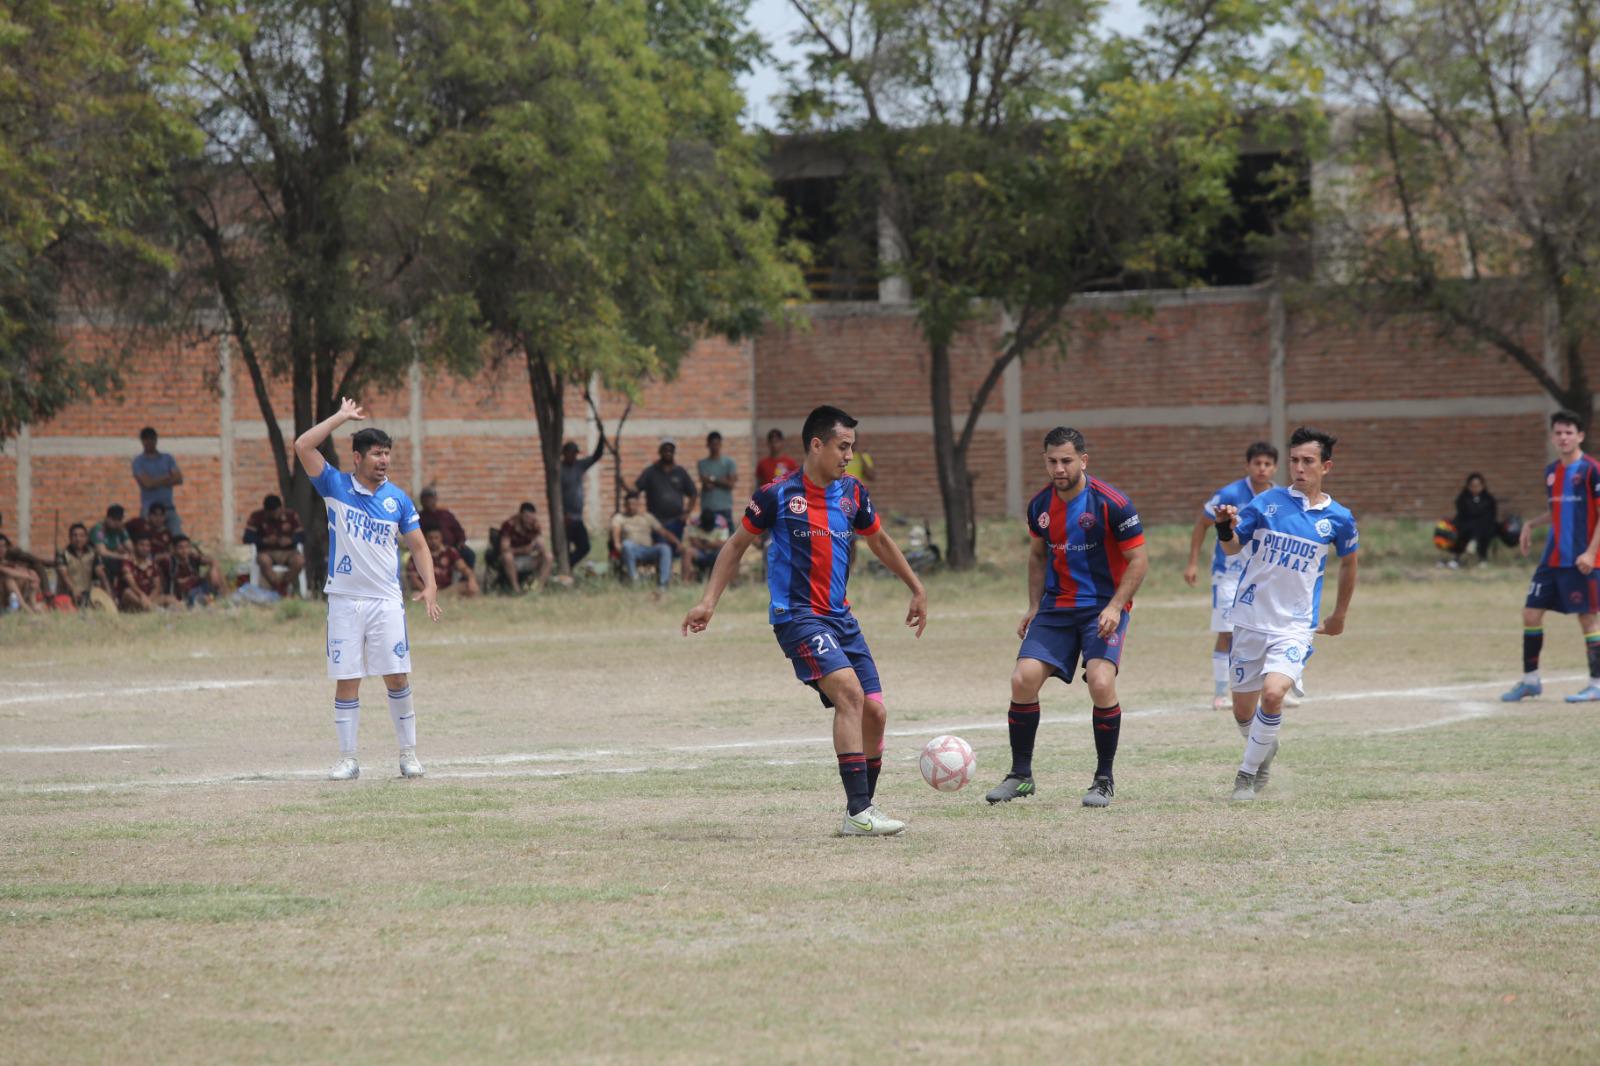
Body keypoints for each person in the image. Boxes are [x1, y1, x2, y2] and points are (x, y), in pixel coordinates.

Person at [683, 404, 929, 837]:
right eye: (843, 446)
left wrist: (916, 588)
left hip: (842, 619)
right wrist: (708, 601)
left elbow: (880, 541)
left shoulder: (853, 494)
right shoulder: (777, 495)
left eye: (852, 447)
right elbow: (736, 546)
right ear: (817, 445)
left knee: (875, 713)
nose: (849, 455)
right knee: (850, 695)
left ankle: (863, 808)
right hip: (797, 617)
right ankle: (858, 812)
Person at [984, 428, 1149, 809]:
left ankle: (1104, 779)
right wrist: (1033, 606)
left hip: (1101, 608)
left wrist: (1114, 606)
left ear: (1083, 461)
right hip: (1057, 608)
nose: (1059, 468)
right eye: (1052, 461)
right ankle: (1021, 776)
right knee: (1022, 679)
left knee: (1101, 682)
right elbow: (1038, 556)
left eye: (1066, 461)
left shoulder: (1112, 503)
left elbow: (1139, 560)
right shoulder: (1039, 506)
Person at [295, 398, 441, 781]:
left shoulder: (397, 499)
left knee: (397, 677)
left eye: (387, 454)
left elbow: (420, 546)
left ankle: (408, 754)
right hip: (344, 601)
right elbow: (302, 446)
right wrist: (341, 417)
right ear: (356, 457)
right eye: (376, 453)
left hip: (386, 603)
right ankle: (348, 759)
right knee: (348, 679)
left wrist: (431, 585)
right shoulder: (335, 485)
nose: (384, 460)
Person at [1212, 426, 1359, 802]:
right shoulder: (1267, 502)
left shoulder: (1338, 518)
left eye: (1307, 461)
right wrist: (1223, 526)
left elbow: (1348, 564)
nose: (1299, 468)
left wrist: (1339, 614)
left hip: (1294, 626)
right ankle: (1262, 748)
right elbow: (1231, 548)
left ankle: (1246, 776)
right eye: (1294, 460)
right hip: (1249, 619)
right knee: (1242, 711)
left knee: (1274, 695)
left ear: (1326, 466)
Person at [1503, 410, 1600, 703]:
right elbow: (1558, 510)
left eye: (1569, 432)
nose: (1563, 437)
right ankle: (1531, 681)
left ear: (1580, 436)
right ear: (1552, 436)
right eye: (1558, 432)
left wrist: (1591, 552)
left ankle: (1597, 683)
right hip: (1552, 558)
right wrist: (1532, 524)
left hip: (1582, 558)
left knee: (1588, 619)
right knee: (1531, 613)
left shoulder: (1592, 470)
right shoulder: (1550, 472)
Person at [1184, 442, 1279, 710]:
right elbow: (1202, 524)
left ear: (1275, 467)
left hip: (1260, 576)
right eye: (1257, 463)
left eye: (1267, 464)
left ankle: (1268, 688)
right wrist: (1192, 562)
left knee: (1267, 632)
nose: (1262, 469)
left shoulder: (1279, 498)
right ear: (1247, 465)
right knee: (1227, 633)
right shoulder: (1229, 494)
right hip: (1227, 574)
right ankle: (1220, 693)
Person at [612, 492, 682, 588]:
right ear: (625, 505)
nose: (631, 507)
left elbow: (663, 532)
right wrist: (619, 547)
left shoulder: (647, 517)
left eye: (634, 504)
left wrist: (677, 542)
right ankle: (634, 580)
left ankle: (663, 584)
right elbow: (616, 536)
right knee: (627, 544)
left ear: (638, 504)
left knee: (664, 548)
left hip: (648, 549)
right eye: (629, 504)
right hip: (631, 550)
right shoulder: (619, 518)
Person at [635, 439, 697, 544]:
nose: (668, 452)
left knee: (675, 549)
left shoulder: (680, 472)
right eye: (665, 450)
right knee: (661, 547)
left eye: (671, 450)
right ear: (660, 452)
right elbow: (636, 490)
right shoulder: (650, 471)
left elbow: (693, 493)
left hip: (677, 520)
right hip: (656, 521)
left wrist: (687, 513)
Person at [244, 494, 306, 597]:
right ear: (266, 511)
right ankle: (278, 588)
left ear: (281, 508)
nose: (274, 515)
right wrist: (264, 541)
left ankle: (283, 585)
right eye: (271, 513)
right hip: (267, 552)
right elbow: (247, 538)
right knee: (263, 560)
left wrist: (290, 540)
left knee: (300, 561)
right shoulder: (257, 517)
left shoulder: (291, 515)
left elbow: (302, 536)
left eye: (276, 512)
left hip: (288, 552)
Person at [559, 436, 606, 568]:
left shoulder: (579, 466)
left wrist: (601, 437)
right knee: (564, 548)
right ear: (564, 453)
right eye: (571, 453)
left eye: (575, 453)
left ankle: (567, 567)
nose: (573, 456)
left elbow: (597, 456)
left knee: (584, 547)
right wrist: (563, 513)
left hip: (577, 517)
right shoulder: (559, 470)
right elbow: (555, 496)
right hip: (565, 518)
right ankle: (564, 571)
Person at [131, 427, 183, 535]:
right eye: (146, 440)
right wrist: (167, 477)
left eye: (152, 439)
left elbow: (179, 479)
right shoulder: (138, 461)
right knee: (147, 539)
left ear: (156, 440)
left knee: (177, 538)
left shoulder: (167, 458)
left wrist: (154, 481)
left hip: (168, 508)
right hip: (149, 510)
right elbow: (147, 484)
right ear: (142, 441)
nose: (149, 442)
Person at [409, 526, 479, 598]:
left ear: (441, 538)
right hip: (425, 591)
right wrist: (428, 591)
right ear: (425, 539)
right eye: (430, 538)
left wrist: (471, 579)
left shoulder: (450, 552)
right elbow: (413, 578)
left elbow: (464, 568)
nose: (433, 541)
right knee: (414, 596)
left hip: (447, 590)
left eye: (436, 538)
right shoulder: (418, 554)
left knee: (469, 586)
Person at [418, 487, 476, 572]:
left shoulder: (446, 514)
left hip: (452, 547)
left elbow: (458, 530)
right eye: (425, 498)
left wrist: (461, 541)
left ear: (435, 498)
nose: (428, 500)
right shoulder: (420, 518)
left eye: (430, 497)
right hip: (432, 548)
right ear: (421, 500)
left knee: (469, 554)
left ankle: (466, 580)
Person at [56, 522, 112, 609]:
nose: (78, 539)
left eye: (81, 536)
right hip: (68, 593)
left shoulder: (93, 553)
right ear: (70, 537)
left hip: (88, 594)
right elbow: (64, 574)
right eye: (75, 535)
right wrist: (73, 589)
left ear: (86, 538)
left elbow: (100, 573)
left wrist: (108, 592)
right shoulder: (62, 553)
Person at [498, 502, 552, 592]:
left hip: (529, 558)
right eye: (527, 517)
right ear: (520, 515)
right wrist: (522, 550)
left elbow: (542, 548)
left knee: (549, 556)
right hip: (513, 560)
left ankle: (538, 588)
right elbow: (504, 549)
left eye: (532, 518)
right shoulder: (509, 525)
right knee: (507, 556)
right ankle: (516, 589)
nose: (529, 520)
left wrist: (540, 546)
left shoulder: (534, 525)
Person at [118, 531, 177, 612]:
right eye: (141, 545)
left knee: (170, 598)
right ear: (135, 546)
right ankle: (155, 610)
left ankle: (151, 609)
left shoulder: (152, 564)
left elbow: (157, 586)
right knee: (127, 593)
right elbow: (132, 584)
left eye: (147, 546)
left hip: (148, 598)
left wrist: (149, 600)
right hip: (133, 598)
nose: (145, 548)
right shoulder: (127, 562)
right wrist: (142, 596)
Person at [1449, 472, 1498, 567]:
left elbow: (1491, 516)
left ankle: (1482, 557)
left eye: (1478, 485)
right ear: (1468, 486)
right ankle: (1457, 557)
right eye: (1473, 486)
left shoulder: (1489, 499)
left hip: (1484, 527)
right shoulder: (1462, 498)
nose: (1475, 488)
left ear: (1483, 486)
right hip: (1466, 525)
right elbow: (1462, 514)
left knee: (1485, 529)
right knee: (1461, 530)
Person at [696, 431, 738, 532]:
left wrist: (712, 479)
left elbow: (730, 484)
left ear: (720, 444)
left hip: (724, 506)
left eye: (717, 444)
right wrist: (722, 480)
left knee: (728, 539)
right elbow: (706, 484)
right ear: (708, 445)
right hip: (708, 507)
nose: (714, 447)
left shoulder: (729, 462)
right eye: (712, 444)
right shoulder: (702, 463)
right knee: (709, 538)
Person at [90, 505, 134, 587]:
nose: (116, 522)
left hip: (114, 560)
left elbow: (131, 548)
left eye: (119, 520)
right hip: (98, 562)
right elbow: (102, 552)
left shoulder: (119, 529)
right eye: (114, 519)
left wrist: (123, 533)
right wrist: (122, 556)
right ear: (107, 518)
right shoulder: (99, 530)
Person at [0, 533, 45, 613]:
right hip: (2, 599)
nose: (1, 549)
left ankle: (32, 602)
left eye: (3, 546)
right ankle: (25, 607)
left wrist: (30, 575)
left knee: (31, 573)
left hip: (11, 597)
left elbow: (20, 570)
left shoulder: (8, 561)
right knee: (8, 579)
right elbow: (7, 571)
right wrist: (27, 576)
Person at [168, 535, 217, 607]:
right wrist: (193, 578)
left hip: (199, 586)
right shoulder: (172, 562)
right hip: (186, 592)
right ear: (174, 549)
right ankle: (206, 599)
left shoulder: (192, 557)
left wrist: (201, 556)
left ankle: (225, 595)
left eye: (187, 547)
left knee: (214, 569)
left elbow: (211, 561)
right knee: (193, 594)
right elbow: (179, 582)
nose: (184, 550)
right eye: (180, 548)